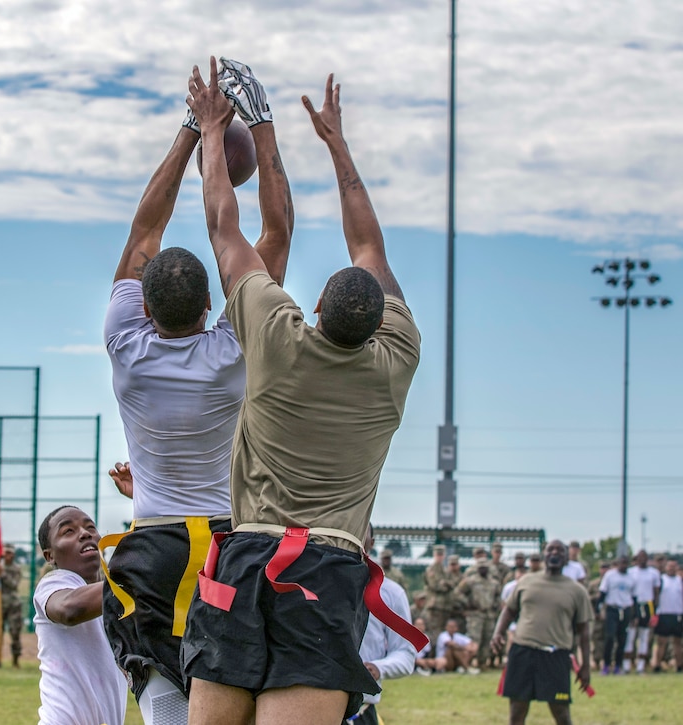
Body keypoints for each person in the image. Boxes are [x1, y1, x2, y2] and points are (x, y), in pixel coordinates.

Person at [181, 61, 421, 725]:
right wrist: (339, 148)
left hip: (244, 557)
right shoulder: (396, 360)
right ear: (383, 323)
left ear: (314, 303)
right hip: (326, 568)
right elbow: (369, 242)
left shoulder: (276, 332)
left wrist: (216, 130)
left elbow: (223, 225)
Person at [101, 53, 294, 725]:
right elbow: (273, 233)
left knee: (160, 682)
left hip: (153, 539)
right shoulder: (233, 347)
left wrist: (191, 127)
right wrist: (255, 126)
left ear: (142, 307)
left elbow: (142, 233)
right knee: (228, 690)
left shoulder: (127, 346)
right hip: (226, 540)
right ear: (215, 299)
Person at [35, 505, 126, 725]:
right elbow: (69, 609)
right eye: (68, 531)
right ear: (50, 555)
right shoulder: (54, 584)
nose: (84, 533)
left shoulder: (114, 596)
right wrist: (133, 580)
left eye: (90, 527)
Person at [491, 539, 592, 725]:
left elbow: (584, 631)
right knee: (516, 713)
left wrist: (585, 665)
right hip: (523, 651)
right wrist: (498, 633)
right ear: (544, 554)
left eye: (560, 550)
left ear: (566, 557)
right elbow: (509, 610)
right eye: (550, 549)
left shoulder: (577, 591)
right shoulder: (526, 582)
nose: (555, 553)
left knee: (561, 714)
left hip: (556, 655)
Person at [351, 525, 415, 724]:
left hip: (363, 712)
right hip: (315, 708)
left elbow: (405, 653)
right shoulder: (313, 586)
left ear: (372, 543)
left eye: (362, 536)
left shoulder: (391, 593)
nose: (355, 542)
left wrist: (378, 667)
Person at [457, 555, 502, 670]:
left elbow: (498, 596)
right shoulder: (471, 581)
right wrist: (467, 603)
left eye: (485, 567)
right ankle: (469, 663)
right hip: (475, 614)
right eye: (480, 567)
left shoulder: (494, 582)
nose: (483, 569)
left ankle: (482, 663)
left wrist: (495, 606)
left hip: (489, 614)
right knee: (474, 639)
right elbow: (458, 593)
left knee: (487, 638)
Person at [623, 548, 661, 673]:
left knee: (644, 636)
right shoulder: (631, 572)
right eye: (640, 557)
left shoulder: (653, 573)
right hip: (634, 604)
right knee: (631, 635)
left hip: (647, 605)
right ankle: (627, 664)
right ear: (637, 559)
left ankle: (641, 665)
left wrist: (655, 610)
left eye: (645, 557)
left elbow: (656, 592)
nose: (642, 560)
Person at [598, 555, 636, 675]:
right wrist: (598, 608)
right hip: (612, 609)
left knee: (622, 639)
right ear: (618, 563)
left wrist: (634, 615)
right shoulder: (610, 575)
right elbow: (603, 592)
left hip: (625, 609)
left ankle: (618, 666)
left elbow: (634, 597)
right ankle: (606, 665)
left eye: (626, 563)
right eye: (621, 563)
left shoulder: (631, 577)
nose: (623, 566)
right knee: (609, 637)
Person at [0, 543, 23, 668]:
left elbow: (14, 584)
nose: (6, 555)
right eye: (5, 553)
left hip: (13, 604)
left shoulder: (16, 569)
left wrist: (3, 574)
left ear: (13, 555)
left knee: (15, 632)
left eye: (9, 553)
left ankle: (15, 659)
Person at [650, 559, 682, 673]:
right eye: (669, 566)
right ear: (666, 567)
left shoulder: (680, 580)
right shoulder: (661, 580)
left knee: (677, 642)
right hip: (664, 613)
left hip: (677, 613)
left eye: (674, 566)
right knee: (661, 642)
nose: (671, 568)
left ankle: (679, 666)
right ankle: (657, 665)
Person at [424, 545, 457, 644]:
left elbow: (452, 584)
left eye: (441, 554)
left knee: (443, 633)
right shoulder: (431, 569)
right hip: (435, 607)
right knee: (434, 633)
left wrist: (445, 583)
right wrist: (445, 585)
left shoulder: (445, 570)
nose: (439, 557)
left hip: (445, 607)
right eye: (438, 554)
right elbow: (435, 585)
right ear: (434, 555)